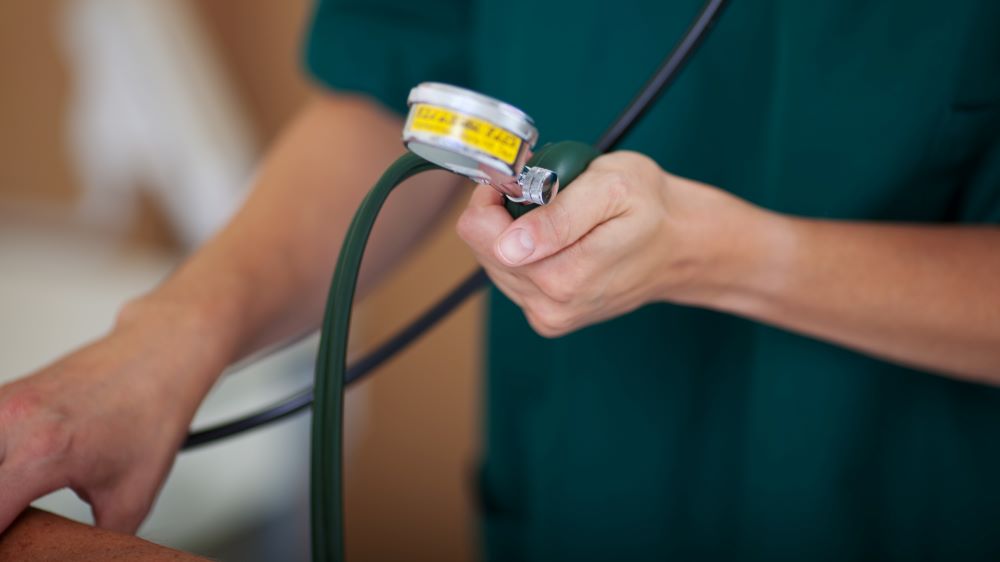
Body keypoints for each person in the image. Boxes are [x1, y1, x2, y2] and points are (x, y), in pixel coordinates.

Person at [1, 0, 999, 560]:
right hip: (574, 498)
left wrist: (724, 255)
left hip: (896, 507)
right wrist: (161, 343)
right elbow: (396, 84)